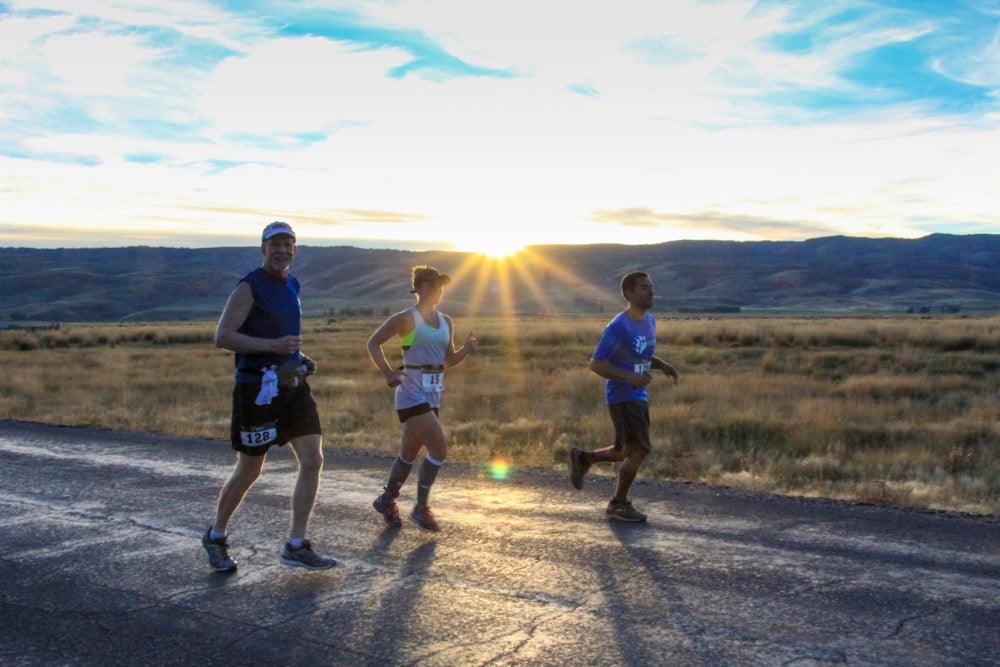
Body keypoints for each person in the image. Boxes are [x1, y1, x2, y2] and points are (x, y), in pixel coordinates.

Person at [201, 221, 336, 572]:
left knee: (312, 460)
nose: (282, 250)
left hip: (292, 385)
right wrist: (272, 347)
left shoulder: (292, 283)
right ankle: (216, 536)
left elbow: (281, 334)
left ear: (295, 250)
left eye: (288, 244)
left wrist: (298, 359)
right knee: (249, 470)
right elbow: (223, 335)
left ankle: (297, 543)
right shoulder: (249, 286)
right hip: (256, 390)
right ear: (263, 250)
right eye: (274, 244)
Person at [367, 265, 478, 532]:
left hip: (433, 394)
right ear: (421, 288)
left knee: (408, 454)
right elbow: (373, 342)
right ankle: (421, 507)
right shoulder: (406, 319)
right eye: (434, 284)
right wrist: (388, 372)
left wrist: (465, 350)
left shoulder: (446, 322)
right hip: (410, 392)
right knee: (439, 449)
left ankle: (386, 500)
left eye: (441, 285)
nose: (439, 289)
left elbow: (447, 360)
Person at [568, 271, 678, 522]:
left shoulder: (649, 321)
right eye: (643, 288)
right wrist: (627, 377)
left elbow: (640, 354)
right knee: (640, 449)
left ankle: (583, 457)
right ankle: (618, 503)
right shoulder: (619, 326)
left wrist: (663, 366)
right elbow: (596, 364)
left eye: (651, 286)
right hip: (622, 394)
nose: (650, 291)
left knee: (624, 449)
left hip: (638, 393)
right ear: (629, 294)